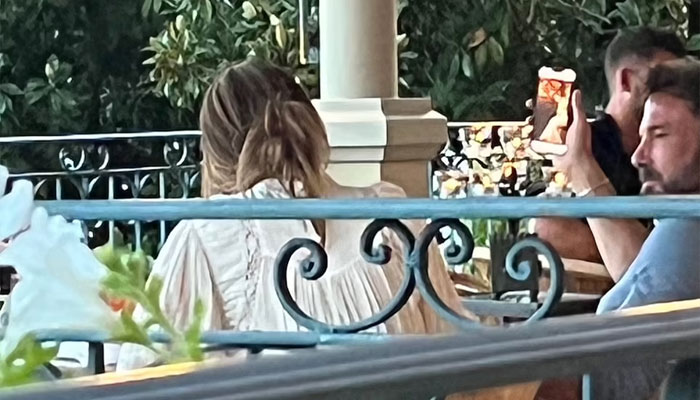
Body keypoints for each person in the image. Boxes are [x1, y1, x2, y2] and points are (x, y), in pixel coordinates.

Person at [115, 59, 470, 370]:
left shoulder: (210, 234)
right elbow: (455, 342)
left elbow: (140, 371)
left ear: (216, 152)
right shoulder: (392, 216)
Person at [560, 58, 700, 400]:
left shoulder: (689, 229)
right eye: (641, 137)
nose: (638, 156)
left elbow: (608, 380)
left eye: (659, 134)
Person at [535, 27, 687, 280]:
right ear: (626, 80)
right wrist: (636, 250)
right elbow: (548, 228)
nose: (676, 93)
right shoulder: (579, 146)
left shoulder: (683, 154)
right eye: (665, 82)